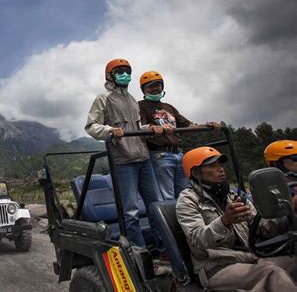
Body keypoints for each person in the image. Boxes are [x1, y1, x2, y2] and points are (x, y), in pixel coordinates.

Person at [176, 146, 296, 290]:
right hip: (216, 267)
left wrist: (291, 212)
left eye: (220, 165)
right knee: (272, 273)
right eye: (212, 166)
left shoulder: (232, 196)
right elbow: (197, 239)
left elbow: (262, 228)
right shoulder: (187, 200)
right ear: (196, 172)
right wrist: (224, 221)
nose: (220, 169)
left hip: (250, 259)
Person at [85, 58, 163, 250]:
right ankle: (139, 254)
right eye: (120, 71)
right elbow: (91, 126)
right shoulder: (103, 98)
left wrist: (148, 128)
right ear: (110, 75)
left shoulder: (132, 100)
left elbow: (134, 127)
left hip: (143, 158)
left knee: (156, 206)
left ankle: (163, 249)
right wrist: (110, 130)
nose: (125, 74)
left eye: (128, 71)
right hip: (123, 161)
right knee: (131, 211)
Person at [138, 71, 221, 200]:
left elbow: (187, 125)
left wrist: (207, 125)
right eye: (150, 86)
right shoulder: (140, 106)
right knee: (168, 195)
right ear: (144, 90)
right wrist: (154, 127)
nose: (155, 88)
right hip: (160, 154)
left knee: (185, 194)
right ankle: (170, 220)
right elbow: (141, 126)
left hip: (178, 154)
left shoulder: (168, 107)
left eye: (158, 85)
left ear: (162, 87)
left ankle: (185, 218)